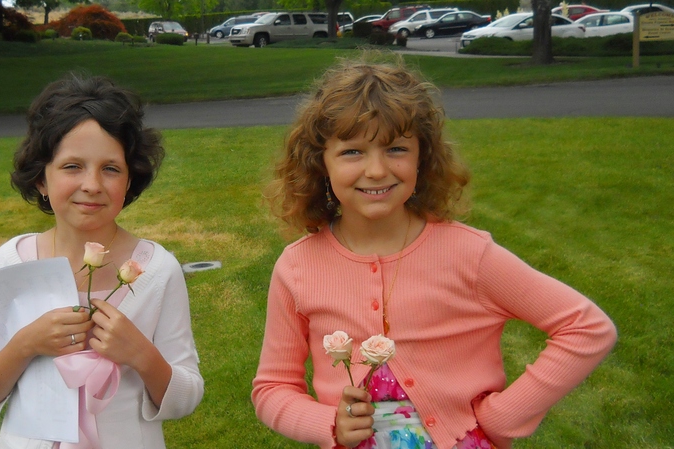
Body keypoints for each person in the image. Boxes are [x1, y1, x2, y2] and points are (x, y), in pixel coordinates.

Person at [251, 54, 617, 449]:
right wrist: (327, 424)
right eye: (352, 152)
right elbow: (272, 387)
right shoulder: (298, 267)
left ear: (423, 156)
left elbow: (586, 329)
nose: (376, 170)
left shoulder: (468, 254)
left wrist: (504, 416)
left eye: (395, 149)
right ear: (320, 162)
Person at [0, 74, 204, 449]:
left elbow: (186, 396)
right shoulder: (13, 262)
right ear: (41, 178)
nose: (92, 184)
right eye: (72, 166)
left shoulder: (156, 270)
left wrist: (141, 355)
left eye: (110, 168)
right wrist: (25, 344)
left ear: (129, 180)